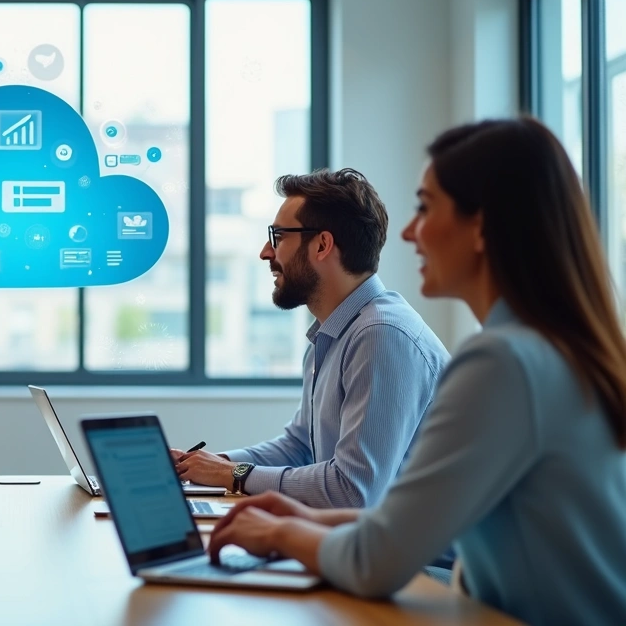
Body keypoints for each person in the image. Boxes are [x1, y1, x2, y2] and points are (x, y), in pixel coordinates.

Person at [208, 118, 626, 625]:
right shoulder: (546, 348)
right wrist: (300, 516)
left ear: (481, 227)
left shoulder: (501, 362)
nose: (408, 232)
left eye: (425, 208)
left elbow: (377, 559)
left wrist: (277, 533)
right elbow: (413, 520)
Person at [173, 169, 449, 509]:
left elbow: (353, 492)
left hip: (424, 562)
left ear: (322, 245)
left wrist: (233, 473)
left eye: (278, 237)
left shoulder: (382, 336)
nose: (265, 252)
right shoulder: (332, 335)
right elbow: (300, 447)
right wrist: (202, 465)